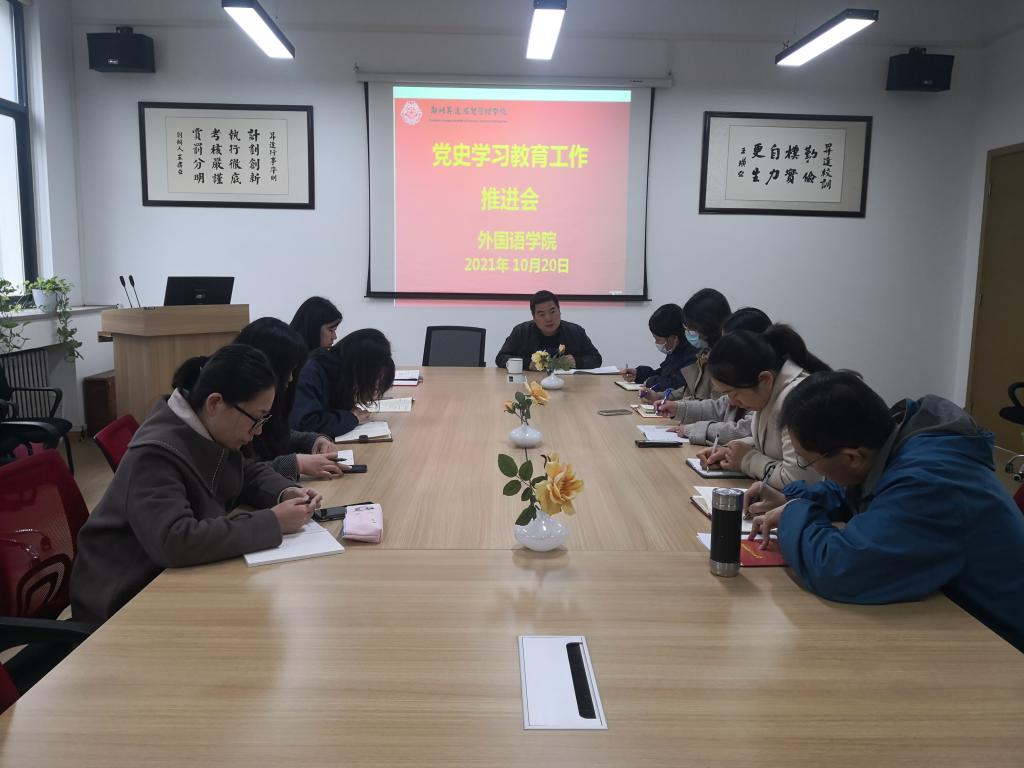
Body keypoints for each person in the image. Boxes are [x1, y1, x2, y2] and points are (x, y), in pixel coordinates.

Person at [746, 371, 1024, 652]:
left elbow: (840, 569)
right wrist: (792, 497)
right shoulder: (897, 444)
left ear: (852, 457)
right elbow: (857, 489)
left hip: (1003, 641)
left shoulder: (928, 482)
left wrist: (794, 512)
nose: (807, 468)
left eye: (807, 462)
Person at [71, 345, 323, 625]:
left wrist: (285, 491)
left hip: (167, 578)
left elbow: (247, 471)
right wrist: (273, 522)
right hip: (122, 599)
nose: (259, 430)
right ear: (215, 403)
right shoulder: (155, 454)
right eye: (256, 418)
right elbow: (175, 540)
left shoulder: (208, 429)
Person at [696, 324, 830, 490]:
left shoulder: (799, 401)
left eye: (734, 393)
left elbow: (799, 481)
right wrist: (730, 452)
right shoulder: (770, 393)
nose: (731, 402)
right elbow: (772, 444)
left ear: (764, 379)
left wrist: (746, 459)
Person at [235, 317, 346, 481]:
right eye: (288, 370)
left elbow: (276, 433)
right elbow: (238, 473)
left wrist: (314, 441)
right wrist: (297, 464)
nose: (291, 379)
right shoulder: (236, 407)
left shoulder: (270, 399)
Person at [660, 307, 772, 445]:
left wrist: (692, 429)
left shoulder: (767, 388)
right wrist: (679, 408)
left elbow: (744, 431)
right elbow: (720, 406)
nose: (732, 401)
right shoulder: (710, 358)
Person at [291, 328, 396, 439]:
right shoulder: (311, 373)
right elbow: (306, 425)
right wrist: (351, 418)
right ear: (360, 369)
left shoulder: (338, 371)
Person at [644, 288, 731, 404]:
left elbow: (716, 407)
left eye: (692, 328)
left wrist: (679, 408)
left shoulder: (724, 360)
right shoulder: (704, 353)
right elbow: (689, 391)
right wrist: (660, 396)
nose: (688, 332)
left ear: (708, 326)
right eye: (686, 327)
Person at [494, 290, 602, 370]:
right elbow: (501, 358)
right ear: (534, 317)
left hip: (569, 384)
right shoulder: (521, 331)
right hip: (531, 383)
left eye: (552, 312)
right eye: (541, 314)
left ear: (559, 311)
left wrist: (577, 362)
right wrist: (527, 364)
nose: (548, 318)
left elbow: (596, 359)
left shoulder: (576, 331)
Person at [621, 303, 696, 392]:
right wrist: (638, 374)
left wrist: (650, 382)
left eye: (658, 339)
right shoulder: (676, 349)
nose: (656, 343)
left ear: (674, 338)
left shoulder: (693, 354)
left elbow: (680, 384)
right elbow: (664, 374)